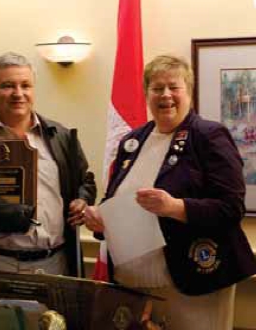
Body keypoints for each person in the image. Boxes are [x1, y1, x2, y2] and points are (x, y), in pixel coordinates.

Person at [83, 55, 256, 330]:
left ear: (188, 91)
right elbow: (115, 201)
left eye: (174, 87)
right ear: (146, 94)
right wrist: (100, 221)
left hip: (193, 282)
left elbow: (231, 207)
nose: (166, 95)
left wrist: (175, 207)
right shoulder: (132, 141)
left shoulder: (209, 136)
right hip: (131, 286)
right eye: (157, 88)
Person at [0, 52, 96, 297]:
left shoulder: (60, 135)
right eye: (7, 86)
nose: (18, 93)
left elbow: (85, 180)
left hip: (55, 264)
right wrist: (18, 216)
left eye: (25, 85)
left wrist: (83, 199)